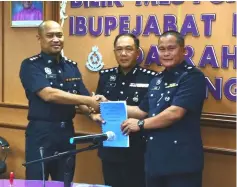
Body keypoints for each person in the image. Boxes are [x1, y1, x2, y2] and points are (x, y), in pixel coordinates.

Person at [121, 30, 206, 187]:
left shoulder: (193, 77)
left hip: (182, 163)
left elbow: (175, 113)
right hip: (155, 162)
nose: (166, 53)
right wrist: (104, 105)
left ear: (184, 51)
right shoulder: (157, 80)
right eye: (162, 49)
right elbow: (141, 111)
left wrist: (140, 124)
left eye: (171, 48)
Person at [19, 20, 100, 182]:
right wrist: (89, 100)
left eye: (59, 35)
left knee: (64, 181)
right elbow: (49, 94)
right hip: (41, 134)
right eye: (50, 36)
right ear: (40, 38)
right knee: (37, 182)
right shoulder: (30, 65)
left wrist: (92, 115)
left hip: (66, 133)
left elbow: (82, 98)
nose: (56, 39)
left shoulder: (71, 66)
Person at [90, 33, 158, 187]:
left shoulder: (150, 78)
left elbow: (148, 111)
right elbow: (97, 105)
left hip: (137, 148)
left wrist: (109, 103)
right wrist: (95, 115)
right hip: (110, 146)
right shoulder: (106, 76)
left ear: (137, 52)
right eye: (119, 49)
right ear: (114, 52)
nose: (123, 54)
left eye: (129, 49)